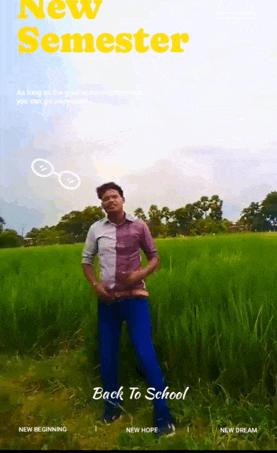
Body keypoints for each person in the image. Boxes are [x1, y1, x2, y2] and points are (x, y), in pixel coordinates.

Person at [82, 182, 175, 437]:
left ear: (123, 199)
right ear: (101, 204)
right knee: (108, 356)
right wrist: (94, 286)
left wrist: (140, 274)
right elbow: (87, 260)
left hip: (135, 300)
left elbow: (154, 256)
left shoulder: (139, 226)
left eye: (114, 196)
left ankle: (163, 417)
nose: (109, 200)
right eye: (104, 198)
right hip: (108, 302)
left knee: (145, 355)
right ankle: (111, 409)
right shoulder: (96, 229)